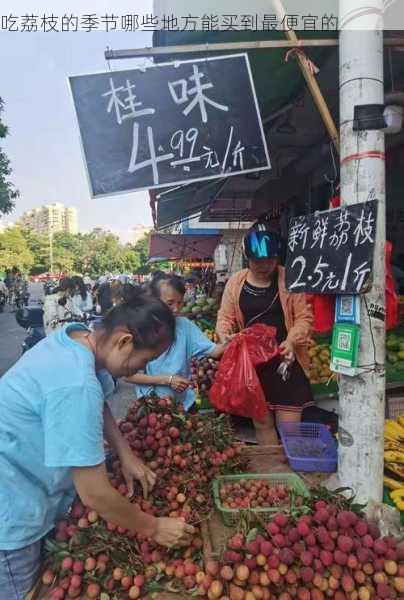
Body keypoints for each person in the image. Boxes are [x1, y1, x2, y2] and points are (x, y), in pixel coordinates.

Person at [0, 286, 195, 599]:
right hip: (10, 511)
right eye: (145, 361)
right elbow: (94, 493)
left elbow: (97, 399)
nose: (141, 370)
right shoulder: (76, 383)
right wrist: (153, 527)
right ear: (124, 341)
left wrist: (124, 451)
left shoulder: (76, 339)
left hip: (22, 479)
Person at [216, 222, 314, 445]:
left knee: (290, 428)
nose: (264, 266)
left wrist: (291, 341)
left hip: (285, 361)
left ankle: (291, 471)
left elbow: (304, 318)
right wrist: (225, 336)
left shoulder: (290, 278)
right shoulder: (235, 282)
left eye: (270, 260)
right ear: (247, 258)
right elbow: (225, 318)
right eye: (257, 261)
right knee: (262, 424)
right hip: (252, 366)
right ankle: (272, 473)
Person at [127, 275, 227, 411]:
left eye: (180, 303)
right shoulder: (141, 329)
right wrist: (167, 380)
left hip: (184, 403)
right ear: (154, 301)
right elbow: (129, 375)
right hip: (154, 404)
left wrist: (234, 341)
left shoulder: (184, 326)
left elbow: (214, 351)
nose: (176, 309)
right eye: (170, 303)